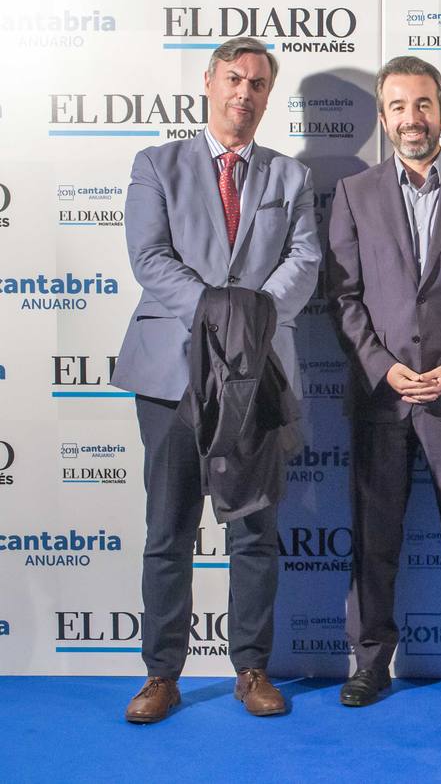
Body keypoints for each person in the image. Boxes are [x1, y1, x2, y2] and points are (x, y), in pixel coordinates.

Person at [112, 36, 321, 722]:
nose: (245, 94)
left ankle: (251, 668)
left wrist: (249, 320)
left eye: (259, 84)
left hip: (256, 379)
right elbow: (149, 257)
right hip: (171, 376)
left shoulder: (290, 178)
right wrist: (217, 314)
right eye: (234, 79)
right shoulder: (156, 164)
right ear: (208, 82)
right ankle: (161, 675)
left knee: (255, 534)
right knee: (168, 529)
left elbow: (305, 261)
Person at [327, 56, 441, 709]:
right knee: (374, 534)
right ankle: (371, 660)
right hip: (381, 398)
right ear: (384, 118)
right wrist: (383, 367)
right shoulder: (354, 194)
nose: (413, 118)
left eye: (424, 104)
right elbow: (344, 298)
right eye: (400, 107)